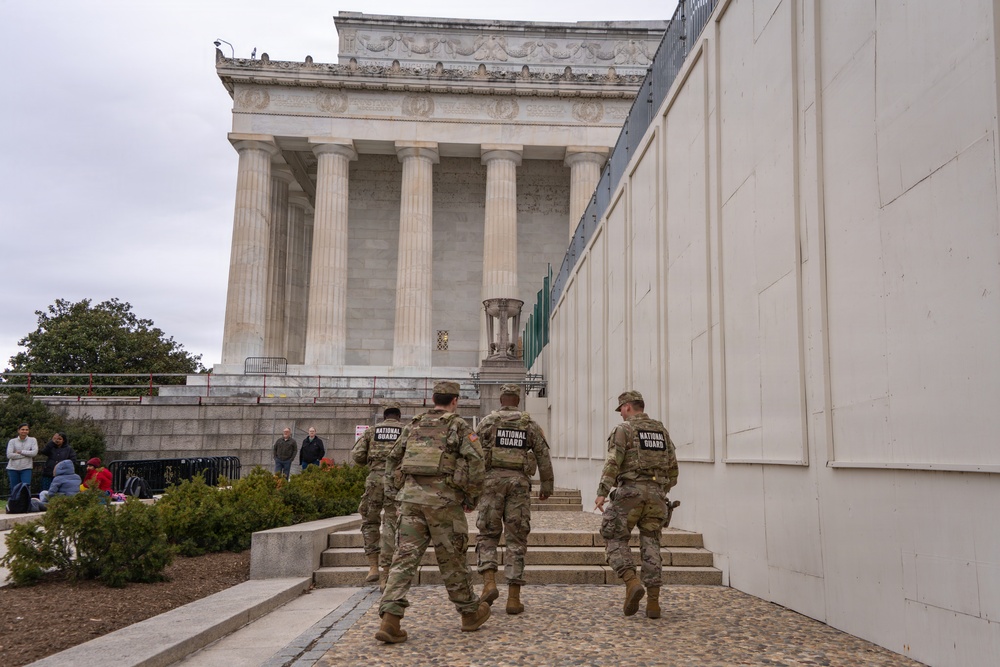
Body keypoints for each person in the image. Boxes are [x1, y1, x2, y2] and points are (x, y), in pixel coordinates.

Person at [375, 380, 490, 644]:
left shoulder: (414, 424)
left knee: (403, 560)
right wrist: (471, 497)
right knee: (452, 560)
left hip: (410, 502)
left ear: (433, 399)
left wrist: (395, 492)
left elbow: (393, 459)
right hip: (444, 503)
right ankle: (470, 614)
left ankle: (390, 620)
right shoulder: (459, 425)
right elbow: (476, 461)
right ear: (455, 401)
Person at [594, 390, 678, 619]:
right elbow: (673, 469)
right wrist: (660, 490)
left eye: (621, 408)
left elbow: (613, 461)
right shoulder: (661, 431)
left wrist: (602, 492)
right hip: (657, 495)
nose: (620, 413)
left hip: (629, 492)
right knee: (652, 544)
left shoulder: (624, 429)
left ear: (628, 406)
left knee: (614, 536)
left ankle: (632, 582)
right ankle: (653, 604)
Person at [475, 383, 554, 615]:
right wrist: (547, 485)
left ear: (501, 400)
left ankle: (489, 583)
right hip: (519, 484)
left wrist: (469, 489)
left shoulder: (487, 423)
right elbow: (542, 455)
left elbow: (471, 454)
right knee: (516, 538)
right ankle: (513, 599)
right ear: (518, 400)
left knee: (487, 535)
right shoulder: (529, 424)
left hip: (490, 483)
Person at [351, 401, 405, 587]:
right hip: (396, 482)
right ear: (398, 415)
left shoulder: (371, 431)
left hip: (374, 480)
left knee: (369, 521)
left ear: (384, 416)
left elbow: (357, 456)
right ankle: (386, 573)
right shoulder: (405, 431)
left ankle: (372, 566)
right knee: (390, 523)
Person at [6, 423, 38, 491]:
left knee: (26, 488)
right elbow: (9, 455)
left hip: (26, 468)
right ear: (18, 430)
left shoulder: (33, 440)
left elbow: (34, 453)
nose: (24, 431)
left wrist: (21, 452)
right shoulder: (12, 441)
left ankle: (26, 502)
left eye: (26, 429)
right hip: (13, 468)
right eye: (22, 429)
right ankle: (15, 502)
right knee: (14, 489)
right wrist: (26, 454)